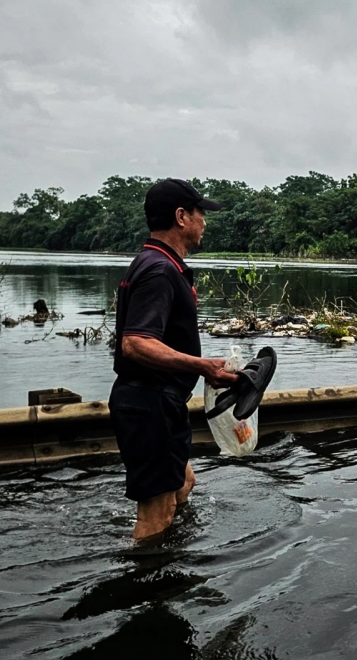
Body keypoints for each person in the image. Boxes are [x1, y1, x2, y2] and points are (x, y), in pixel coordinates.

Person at [109, 178, 240, 540]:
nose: (205, 222)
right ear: (182, 217)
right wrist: (202, 366)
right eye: (201, 214)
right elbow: (135, 343)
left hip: (157, 401)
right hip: (148, 401)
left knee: (184, 483)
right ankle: (149, 584)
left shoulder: (156, 262)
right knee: (157, 511)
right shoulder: (160, 270)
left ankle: (172, 554)